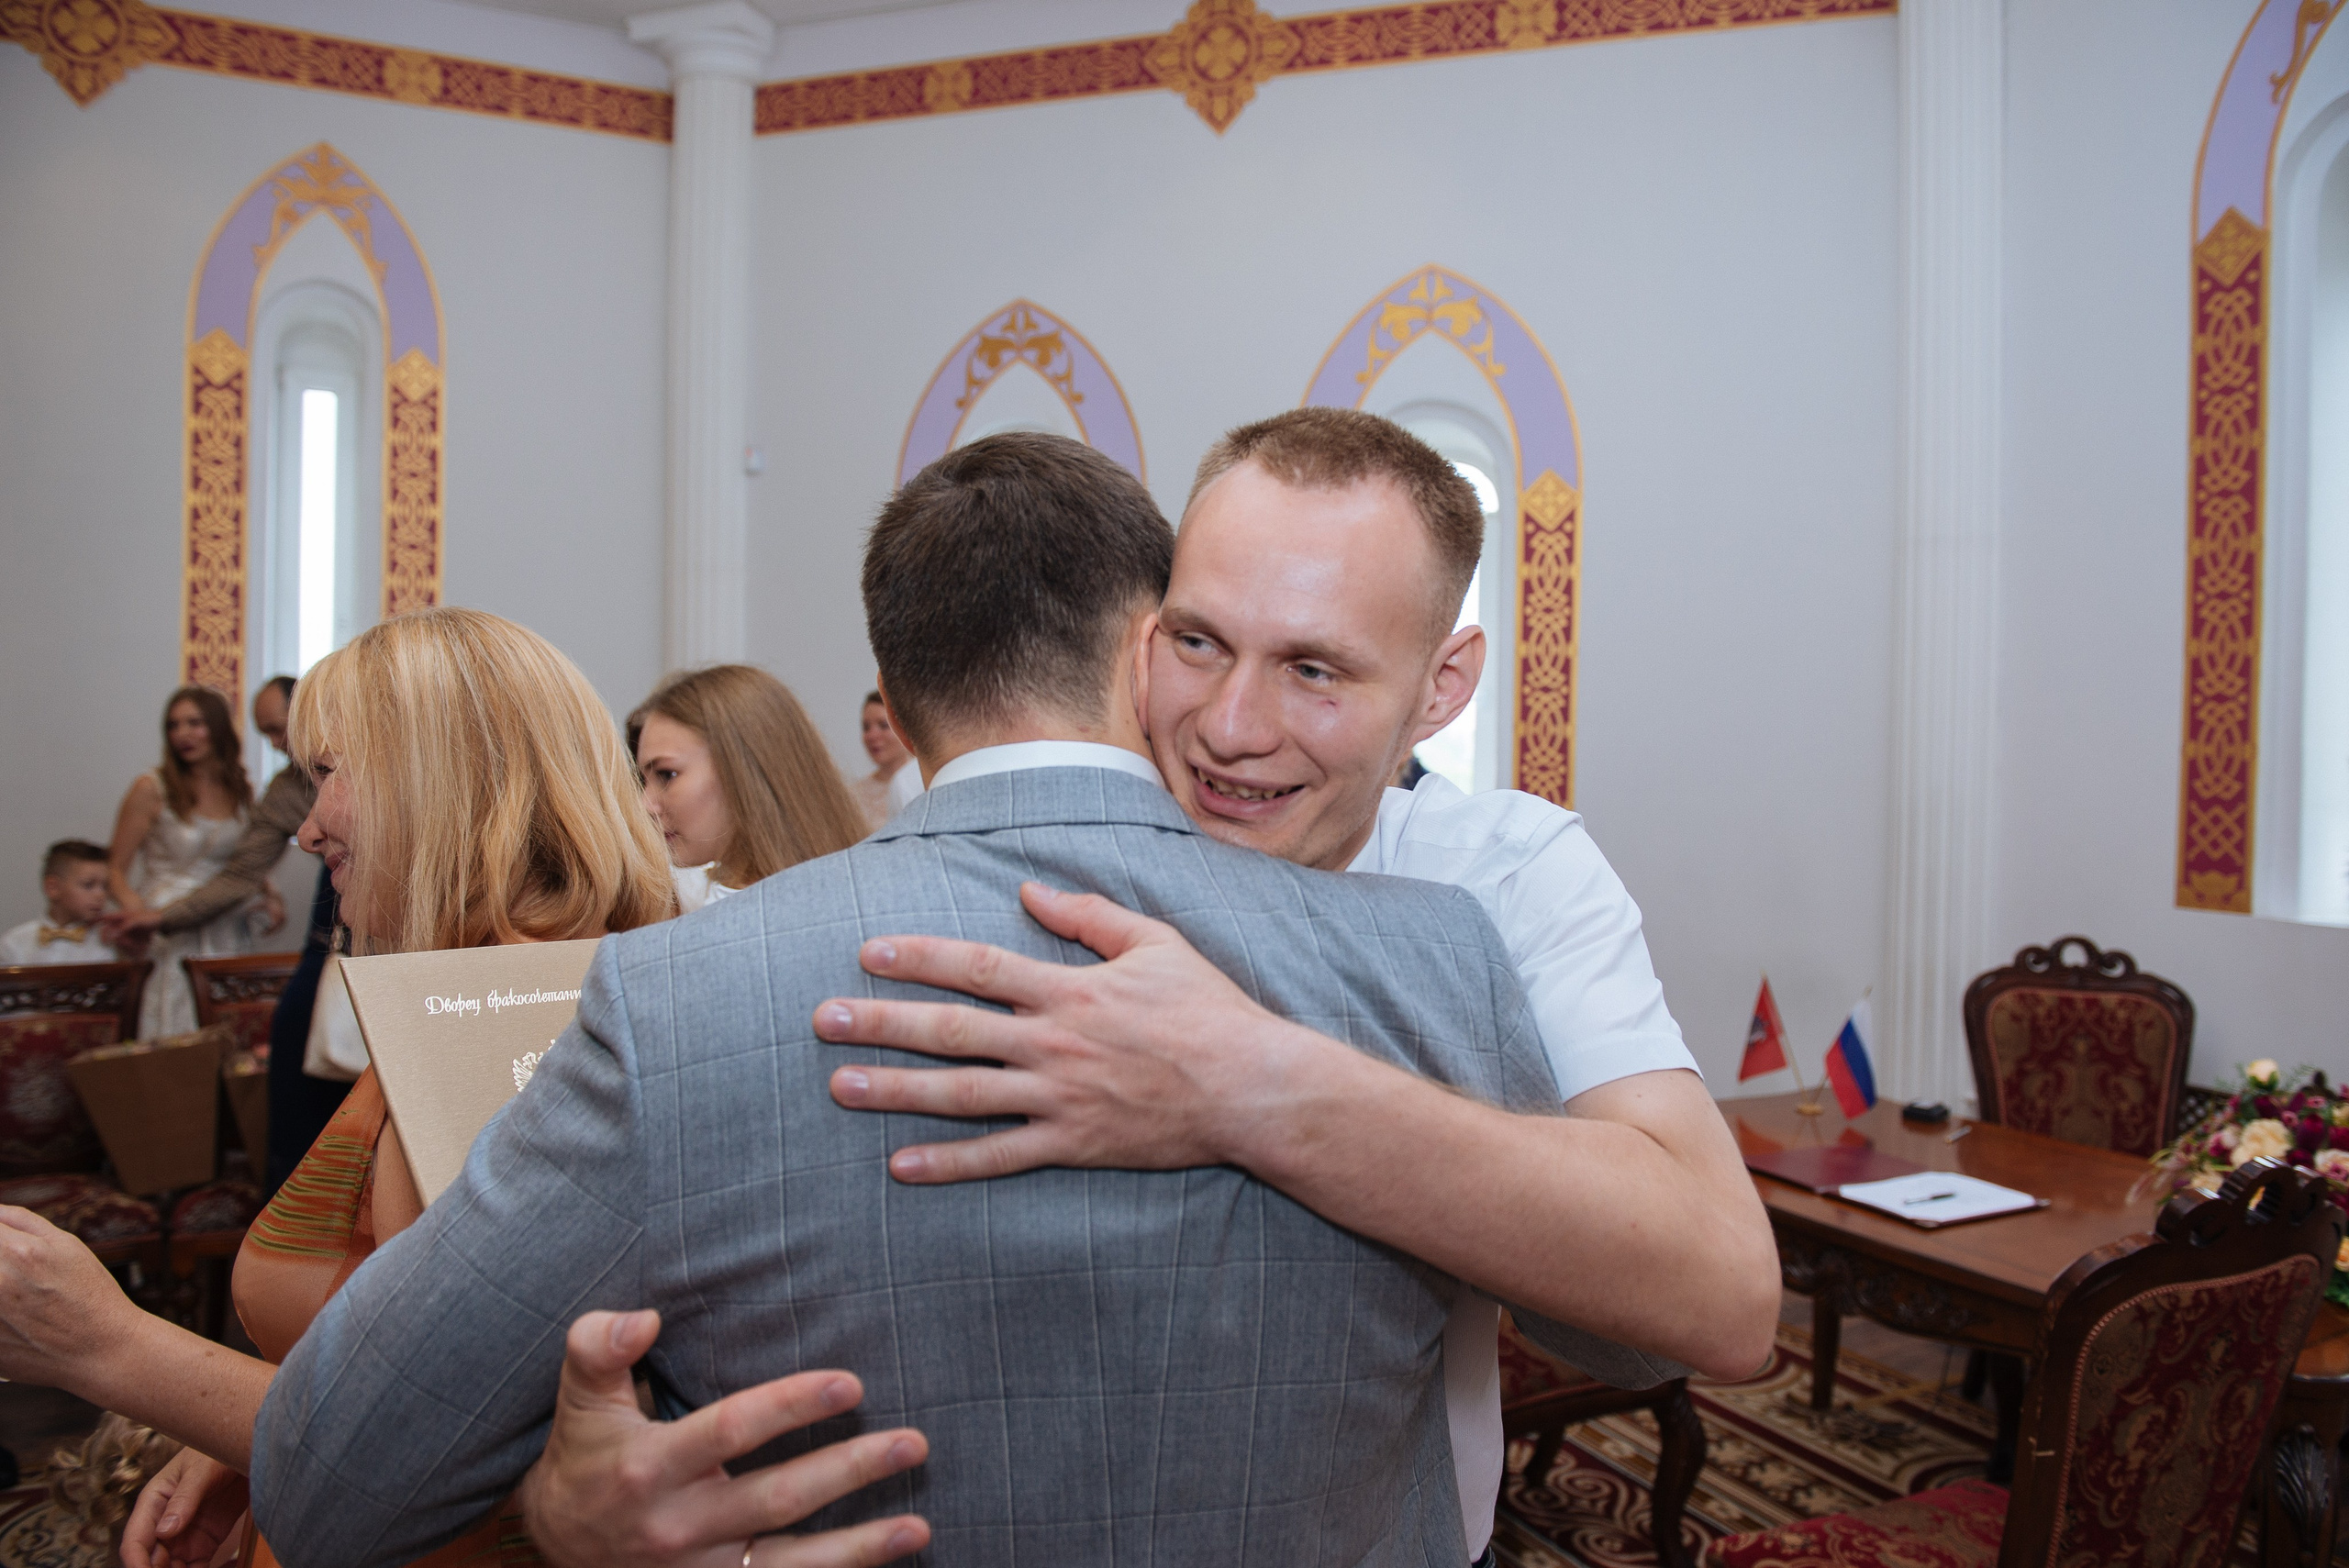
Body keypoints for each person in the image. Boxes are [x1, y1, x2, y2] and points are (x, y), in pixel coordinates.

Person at [244, 434, 1623, 1568]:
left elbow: (328, 1482)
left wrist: (554, 1494)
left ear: (892, 698)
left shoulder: (677, 996)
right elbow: (1628, 1327)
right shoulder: (1435, 951)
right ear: (1144, 654)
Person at [0, 609, 925, 1568]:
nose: (308, 829)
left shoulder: (503, 1020)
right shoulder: (487, 989)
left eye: (326, 773)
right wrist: (243, 1429)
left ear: (431, 780)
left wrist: (104, 1343)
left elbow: (434, 1446)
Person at [629, 665, 869, 915]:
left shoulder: (731, 918)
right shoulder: (848, 891)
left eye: (667, 775)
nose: (646, 804)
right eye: (644, 781)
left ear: (742, 769)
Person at [107, 686, 276, 1037]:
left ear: (217, 727)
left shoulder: (241, 790)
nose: (182, 734)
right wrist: (136, 913)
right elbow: (114, 870)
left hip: (224, 921)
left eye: (194, 723)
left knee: (225, 1034)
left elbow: (244, 863)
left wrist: (270, 895)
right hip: (166, 924)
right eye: (174, 725)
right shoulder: (152, 787)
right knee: (170, 1029)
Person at [0, 840, 120, 966]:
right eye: (88, 885)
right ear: (53, 888)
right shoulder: (14, 943)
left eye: (105, 886)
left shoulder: (108, 943)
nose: (100, 895)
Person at [850, 690, 913, 828]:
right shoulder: (854, 794)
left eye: (883, 725)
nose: (872, 736)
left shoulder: (925, 782)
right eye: (866, 727)